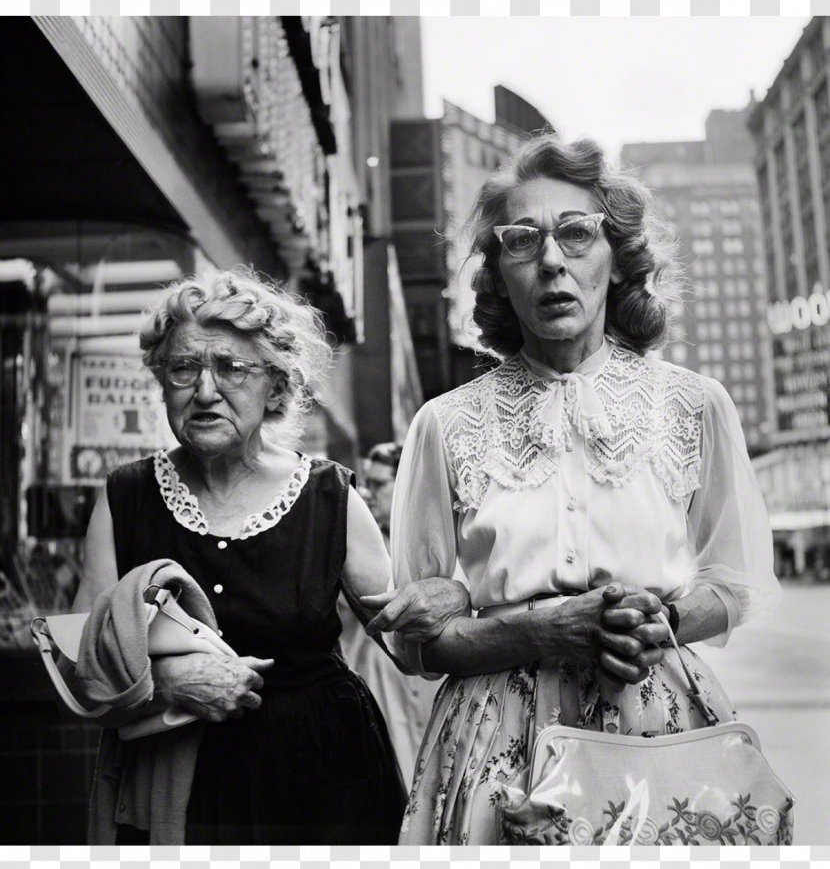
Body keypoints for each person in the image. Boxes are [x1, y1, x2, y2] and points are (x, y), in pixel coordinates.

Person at [365, 134, 783, 844]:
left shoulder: (693, 404)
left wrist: (661, 623)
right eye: (522, 240)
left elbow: (733, 583)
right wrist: (533, 628)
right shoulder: (444, 424)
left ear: (617, 258)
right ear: (497, 273)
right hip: (494, 741)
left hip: (653, 727)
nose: (551, 260)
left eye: (576, 233)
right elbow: (419, 645)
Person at [72, 267, 469, 844]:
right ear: (162, 382)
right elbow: (73, 656)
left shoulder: (327, 496)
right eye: (184, 369)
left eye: (231, 368)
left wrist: (452, 592)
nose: (205, 391)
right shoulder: (125, 496)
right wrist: (166, 683)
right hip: (177, 789)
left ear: (277, 387)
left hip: (323, 783)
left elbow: (409, 646)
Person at [337, 443, 447, 787]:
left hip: (424, 674)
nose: (367, 493)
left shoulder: (427, 542)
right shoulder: (356, 544)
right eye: (364, 483)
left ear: (403, 485)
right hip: (376, 674)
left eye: (378, 484)